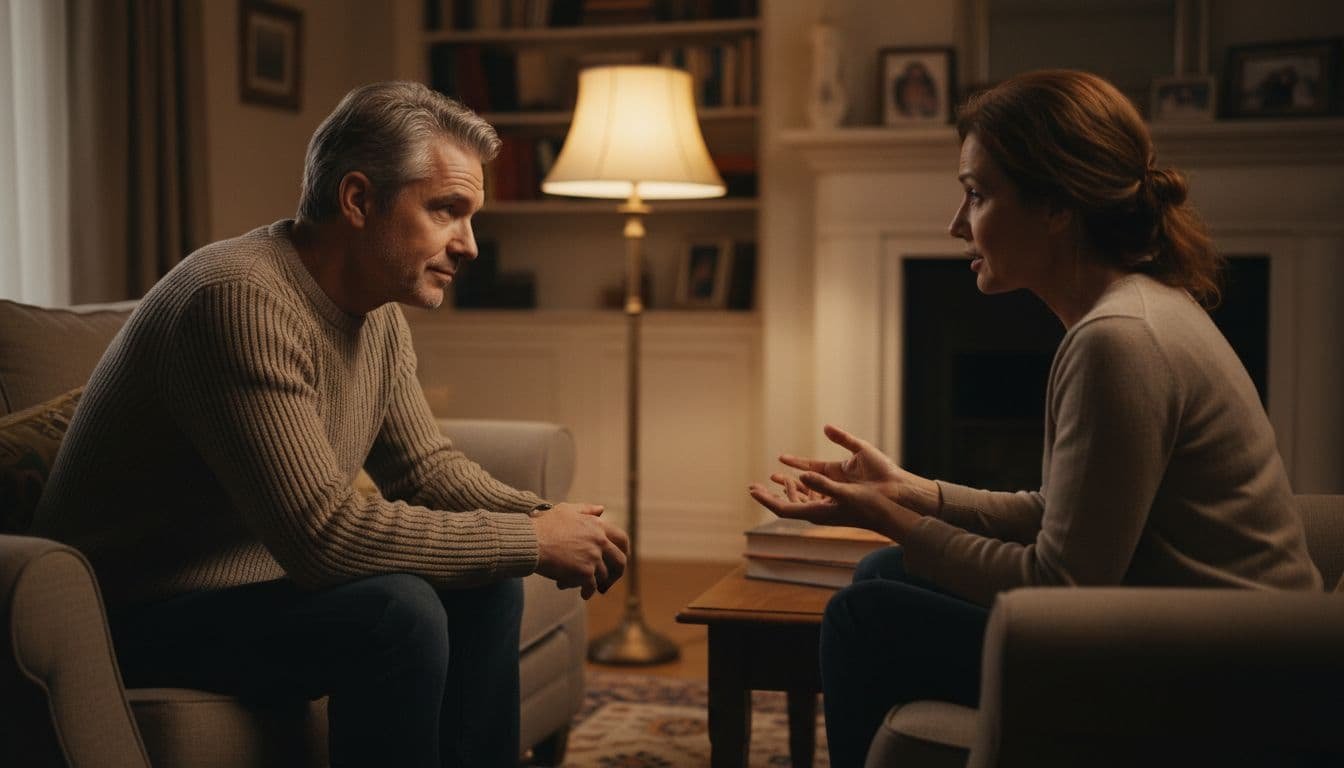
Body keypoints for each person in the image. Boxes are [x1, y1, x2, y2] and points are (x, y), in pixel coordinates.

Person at [32, 81, 630, 767]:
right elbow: (325, 537)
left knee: (487, 583)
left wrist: (547, 519)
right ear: (358, 200)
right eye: (446, 210)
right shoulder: (236, 300)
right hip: (125, 616)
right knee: (398, 612)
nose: (468, 245)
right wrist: (529, 538)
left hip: (246, 592)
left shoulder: (376, 314)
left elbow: (424, 470)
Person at [748, 70, 1322, 768]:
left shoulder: (1119, 341)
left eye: (977, 195)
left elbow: (1061, 587)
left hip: (1223, 672)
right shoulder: (1134, 310)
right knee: (881, 573)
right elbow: (1063, 519)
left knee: (862, 618)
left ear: (1056, 204)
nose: (956, 225)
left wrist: (888, 516)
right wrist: (909, 493)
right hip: (1189, 634)